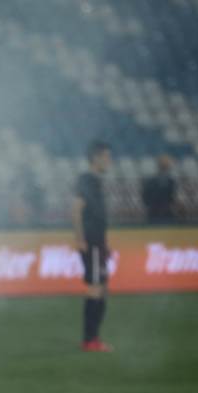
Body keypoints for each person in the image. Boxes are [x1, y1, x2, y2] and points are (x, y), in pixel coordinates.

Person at [71, 140, 113, 352]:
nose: (109, 160)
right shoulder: (86, 180)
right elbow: (77, 208)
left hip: (99, 242)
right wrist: (80, 238)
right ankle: (90, 340)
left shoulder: (94, 181)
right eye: (106, 156)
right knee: (96, 287)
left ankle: (94, 337)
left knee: (102, 286)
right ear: (96, 158)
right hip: (92, 242)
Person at [141, 155, 177, 224]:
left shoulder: (171, 181)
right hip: (154, 211)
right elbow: (145, 195)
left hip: (166, 211)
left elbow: (172, 196)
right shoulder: (151, 181)